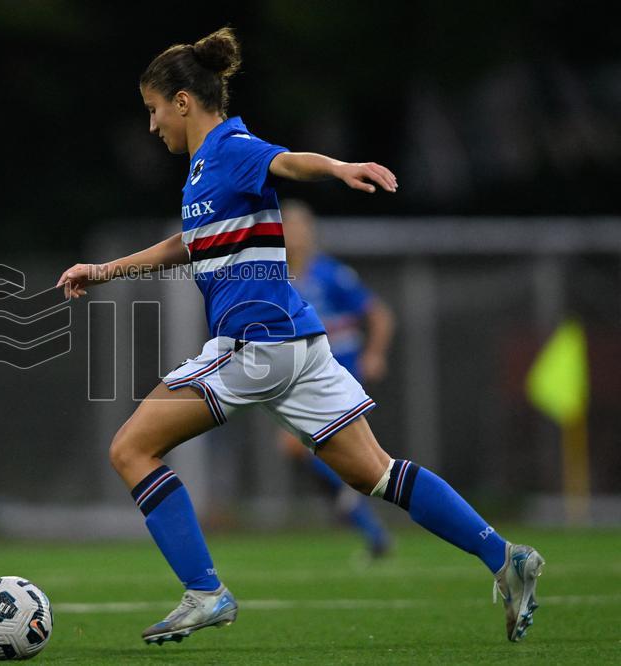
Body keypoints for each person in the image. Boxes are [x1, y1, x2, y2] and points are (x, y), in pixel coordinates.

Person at [56, 27, 543, 646]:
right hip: (300, 347)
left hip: (254, 346)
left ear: (183, 100)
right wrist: (105, 271)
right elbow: (186, 245)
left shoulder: (230, 145)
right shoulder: (203, 174)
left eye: (153, 110)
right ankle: (506, 559)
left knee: (129, 450)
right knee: (377, 474)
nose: (152, 126)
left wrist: (338, 167)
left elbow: (284, 162)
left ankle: (205, 592)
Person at [279, 200, 395, 558]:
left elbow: (380, 315)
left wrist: (374, 354)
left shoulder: (330, 274)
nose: (293, 234)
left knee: (302, 447)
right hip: (300, 378)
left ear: (310, 232)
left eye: (299, 227)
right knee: (315, 453)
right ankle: (364, 520)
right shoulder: (276, 278)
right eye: (287, 227)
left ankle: (365, 519)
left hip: (338, 375)